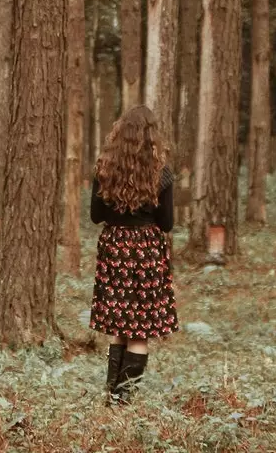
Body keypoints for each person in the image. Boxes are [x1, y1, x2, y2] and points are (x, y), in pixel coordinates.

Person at [88, 105, 178, 405]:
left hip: (114, 247)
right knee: (139, 330)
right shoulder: (161, 173)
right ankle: (123, 398)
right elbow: (167, 223)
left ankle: (112, 393)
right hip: (146, 251)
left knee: (117, 324)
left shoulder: (104, 168)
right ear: (152, 136)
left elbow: (95, 216)